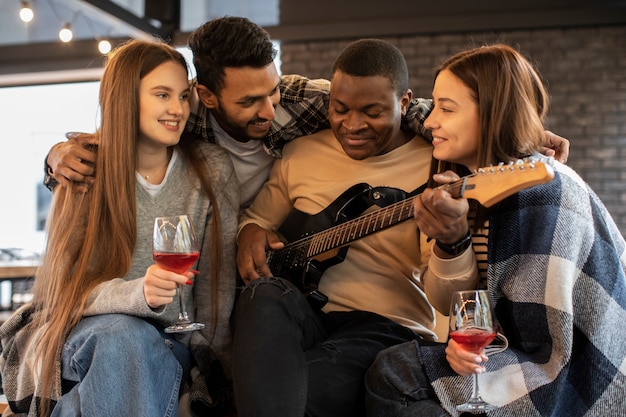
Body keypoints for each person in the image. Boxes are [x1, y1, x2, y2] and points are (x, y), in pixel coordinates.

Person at [42, 17, 570, 211]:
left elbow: (406, 110)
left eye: (271, 91)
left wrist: (514, 131)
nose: (269, 110)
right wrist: (55, 157)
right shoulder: (184, 115)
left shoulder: (305, 97)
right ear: (205, 96)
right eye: (248, 102)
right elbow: (104, 147)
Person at [364, 44, 626, 417]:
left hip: (584, 379)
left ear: (493, 114)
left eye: (446, 108)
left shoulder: (543, 194)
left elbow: (543, 341)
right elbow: (464, 305)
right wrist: (451, 243)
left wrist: (481, 346)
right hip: (517, 352)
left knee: (394, 373)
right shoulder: (467, 187)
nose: (429, 121)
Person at [0, 39, 239, 416]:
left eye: (182, 95)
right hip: (87, 338)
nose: (177, 109)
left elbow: (217, 294)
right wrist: (137, 295)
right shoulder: (82, 169)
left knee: (113, 367)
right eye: (162, 94)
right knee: (122, 335)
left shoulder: (211, 170)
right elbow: (65, 291)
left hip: (167, 344)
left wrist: (212, 379)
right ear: (126, 97)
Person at [232, 38, 461, 417]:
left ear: (404, 103)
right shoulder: (301, 151)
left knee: (290, 391)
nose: (351, 125)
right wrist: (249, 232)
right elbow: (257, 217)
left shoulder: (434, 169)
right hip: (307, 316)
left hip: (386, 328)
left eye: (371, 111)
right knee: (261, 294)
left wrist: (449, 240)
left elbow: (444, 296)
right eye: (340, 109)